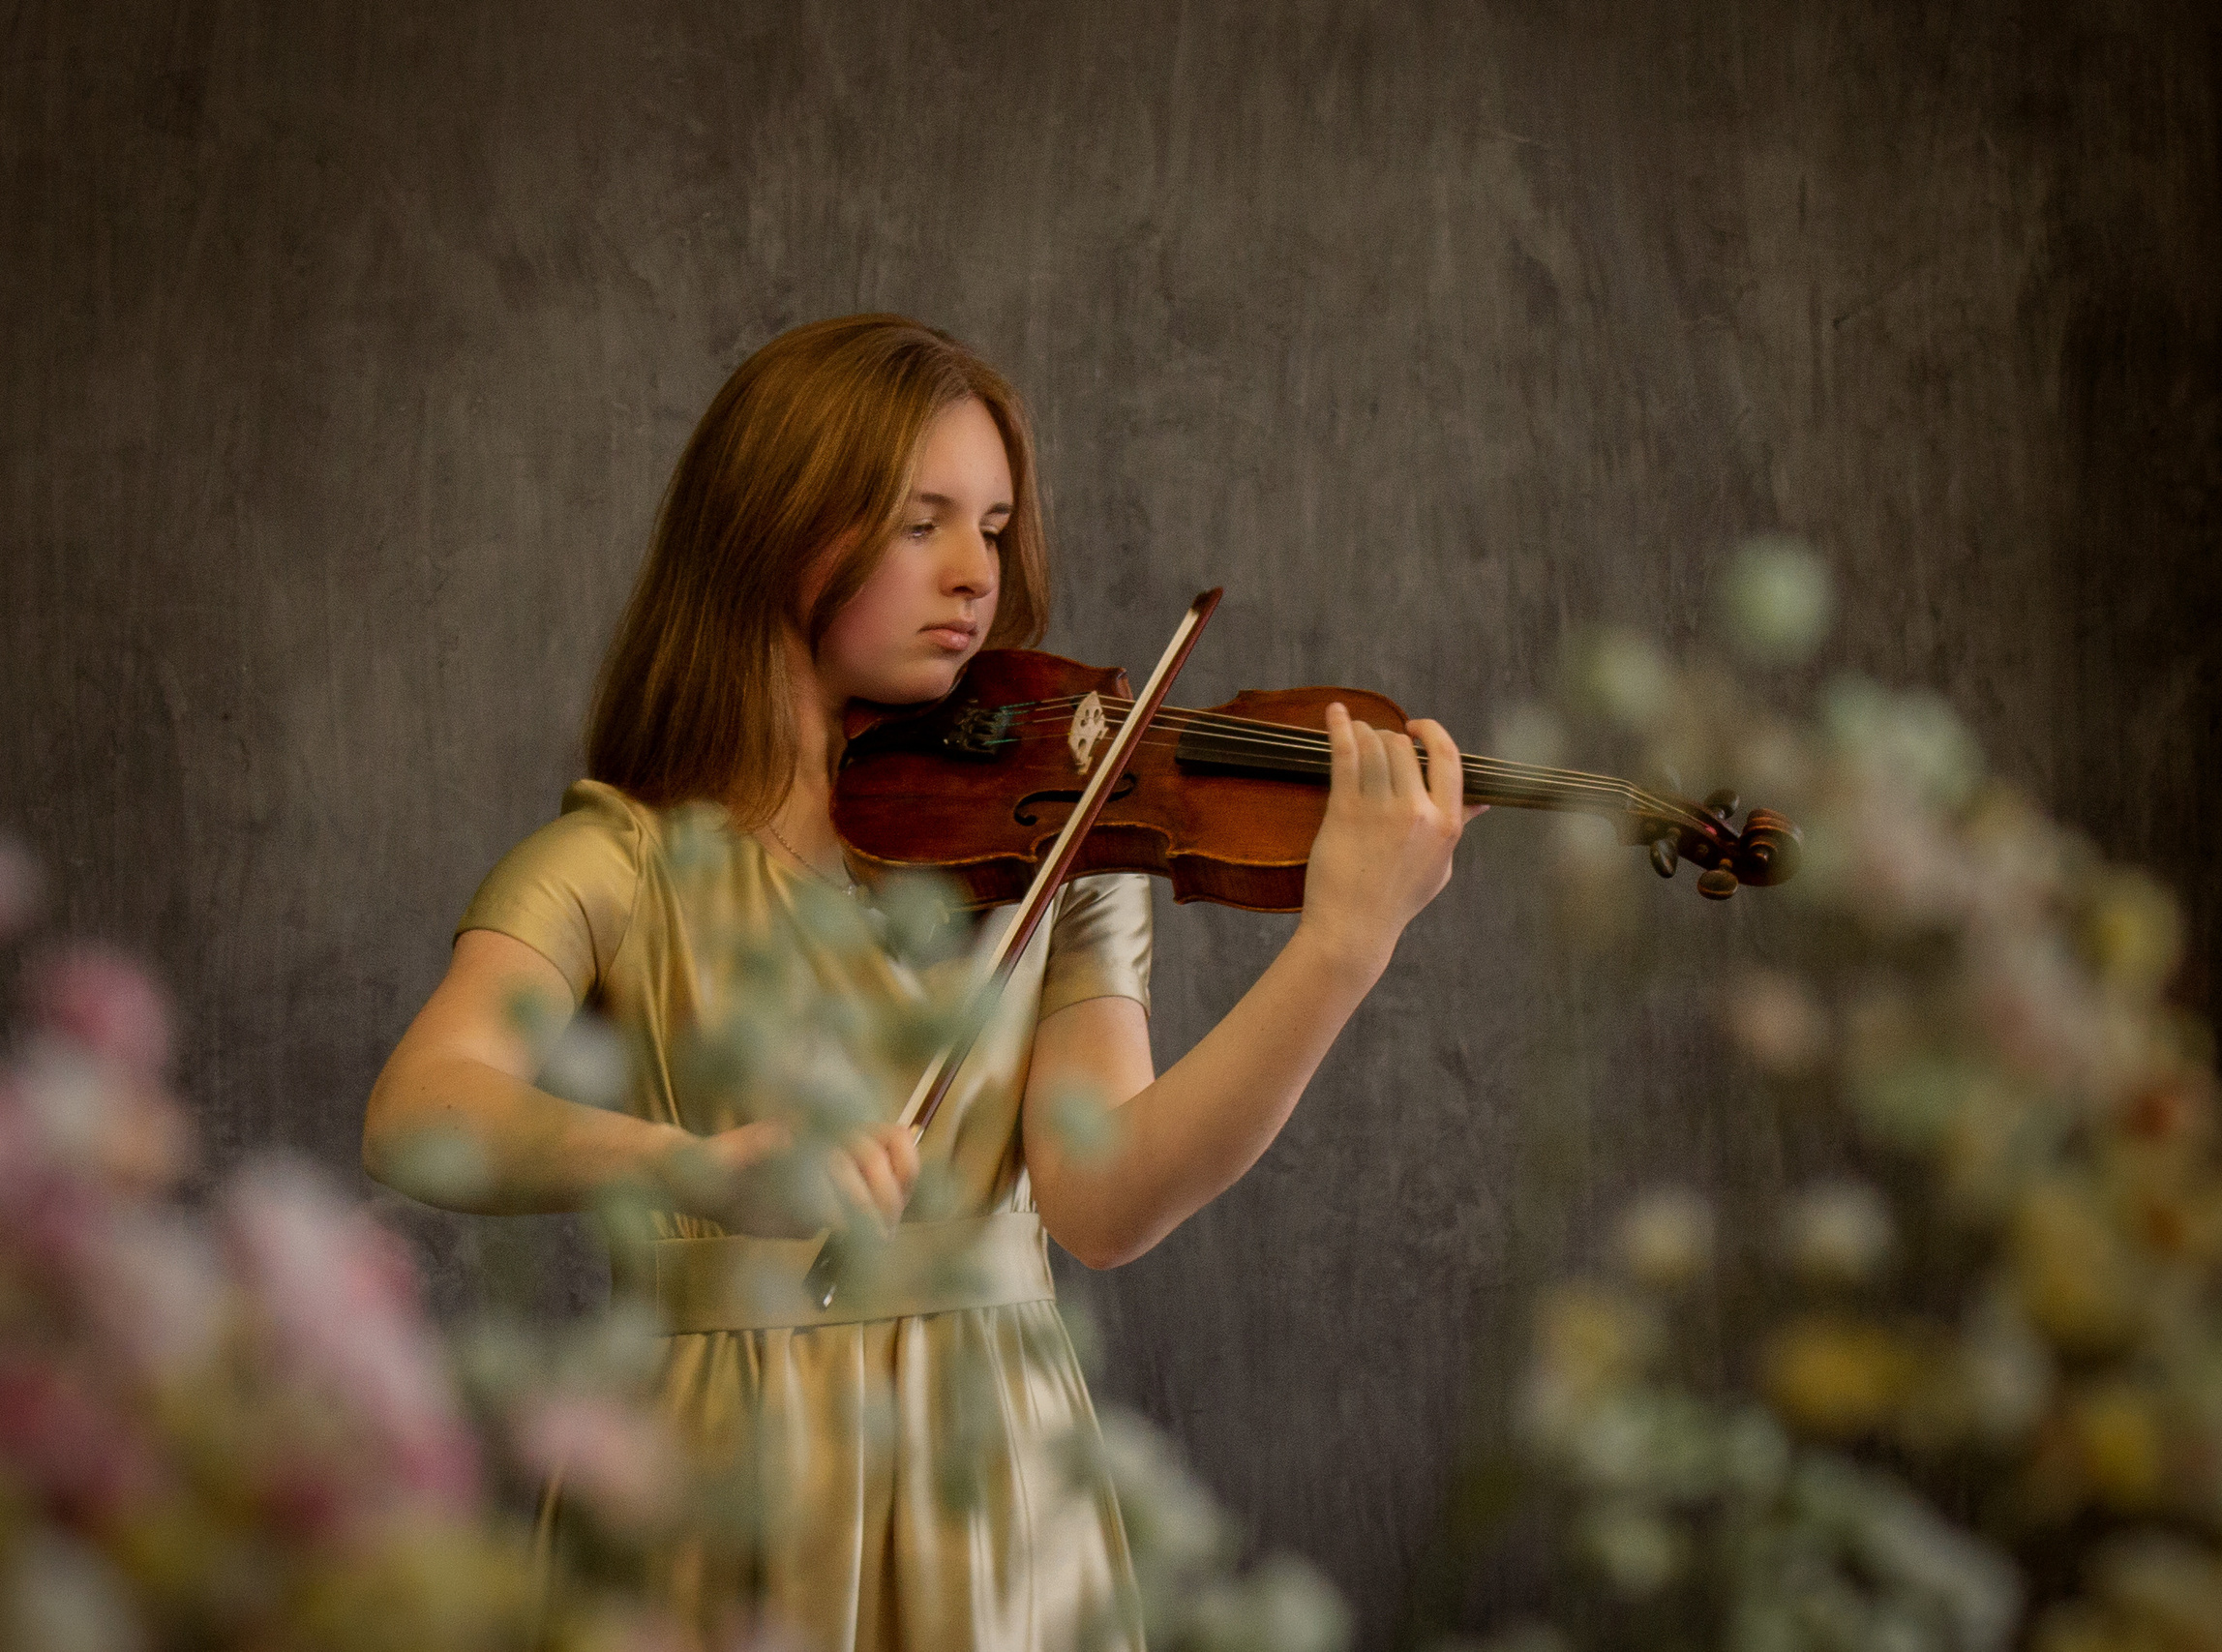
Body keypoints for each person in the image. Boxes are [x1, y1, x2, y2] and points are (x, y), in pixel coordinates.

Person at [362, 315, 1477, 1649]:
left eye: (996, 527)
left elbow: (1107, 1201)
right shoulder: (616, 863)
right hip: (713, 1490)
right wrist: (701, 1169)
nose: (977, 576)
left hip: (991, 1473)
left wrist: (1341, 948)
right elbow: (422, 1108)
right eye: (919, 523)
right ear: (773, 532)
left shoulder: (1059, 848)